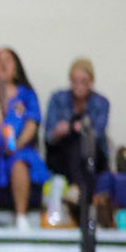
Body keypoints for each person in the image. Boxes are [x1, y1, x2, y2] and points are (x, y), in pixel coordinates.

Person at [44, 57, 111, 219]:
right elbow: (48, 137)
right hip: (61, 155)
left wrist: (83, 130)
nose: (79, 86)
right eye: (75, 81)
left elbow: (98, 134)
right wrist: (62, 130)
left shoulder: (101, 102)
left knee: (81, 143)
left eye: (84, 81)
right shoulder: (58, 98)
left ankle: (76, 191)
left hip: (92, 156)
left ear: (92, 81)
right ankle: (81, 198)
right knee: (72, 143)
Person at [0, 47, 47, 229]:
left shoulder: (27, 95)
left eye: (8, 59)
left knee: (19, 164)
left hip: (19, 149)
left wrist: (17, 144)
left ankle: (21, 217)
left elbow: (32, 122)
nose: (2, 63)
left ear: (16, 69)